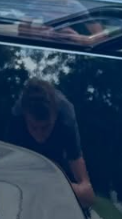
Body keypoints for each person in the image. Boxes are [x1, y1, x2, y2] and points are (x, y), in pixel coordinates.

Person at [9, 77, 95, 208]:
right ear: (25, 117)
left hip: (59, 166)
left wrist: (57, 183)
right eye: (33, 127)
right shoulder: (16, 117)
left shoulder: (66, 118)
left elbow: (88, 194)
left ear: (56, 116)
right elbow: (8, 172)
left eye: (45, 127)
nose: (39, 135)